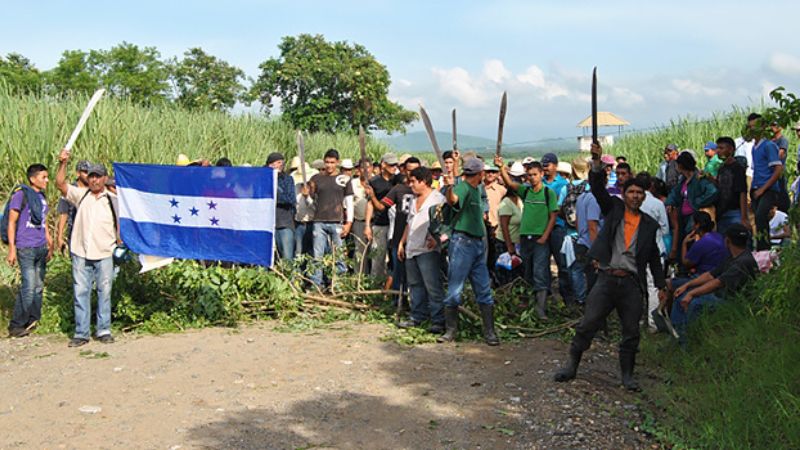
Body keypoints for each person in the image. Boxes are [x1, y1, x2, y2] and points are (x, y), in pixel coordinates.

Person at [554, 143, 665, 391]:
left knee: (630, 332)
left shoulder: (648, 224)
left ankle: (627, 375)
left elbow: (654, 257)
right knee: (588, 324)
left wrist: (660, 285)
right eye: (631, 192)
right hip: (606, 278)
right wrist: (596, 163)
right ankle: (572, 365)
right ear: (624, 195)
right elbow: (597, 188)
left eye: (639, 193)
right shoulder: (614, 209)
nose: (635, 196)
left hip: (630, 283)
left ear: (644, 196)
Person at [56, 149, 120, 347]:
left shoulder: (112, 199)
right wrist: (63, 164)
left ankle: (103, 330)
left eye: (98, 176)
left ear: (104, 178)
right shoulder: (80, 195)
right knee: (81, 292)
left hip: (104, 252)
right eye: (91, 176)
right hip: (81, 252)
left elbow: (121, 222)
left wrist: (119, 241)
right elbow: (60, 184)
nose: (94, 180)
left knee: (104, 292)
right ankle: (81, 333)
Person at [439, 157, 499, 346]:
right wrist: (449, 188)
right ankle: (451, 331)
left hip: (477, 245)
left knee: (484, 289)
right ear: (480, 174)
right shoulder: (463, 187)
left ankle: (489, 331)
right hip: (463, 243)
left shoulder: (476, 190)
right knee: (455, 288)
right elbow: (453, 200)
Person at [667, 224, 758, 344]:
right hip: (722, 295)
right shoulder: (734, 257)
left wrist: (692, 293)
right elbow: (711, 274)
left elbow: (717, 283)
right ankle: (676, 337)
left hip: (732, 301)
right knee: (681, 296)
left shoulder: (743, 261)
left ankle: (687, 342)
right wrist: (687, 286)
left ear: (727, 240)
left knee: (695, 304)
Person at [496, 156, 558, 319]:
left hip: (540, 239)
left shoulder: (548, 193)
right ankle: (529, 308)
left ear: (541, 174)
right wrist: (502, 167)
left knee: (540, 271)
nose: (531, 178)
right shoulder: (526, 191)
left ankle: (540, 309)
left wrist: (545, 236)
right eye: (529, 175)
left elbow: (553, 216)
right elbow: (510, 184)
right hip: (525, 239)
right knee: (528, 272)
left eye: (534, 175)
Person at [397, 167, 446, 333]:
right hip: (412, 247)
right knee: (415, 284)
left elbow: (445, 223)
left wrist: (437, 238)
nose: (410, 185)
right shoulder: (413, 200)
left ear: (423, 181)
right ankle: (417, 316)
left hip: (427, 250)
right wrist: (402, 242)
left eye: (413, 181)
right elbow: (409, 223)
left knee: (432, 286)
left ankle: (438, 320)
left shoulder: (438, 200)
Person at [6, 164, 52, 338]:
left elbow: (43, 220)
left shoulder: (42, 197)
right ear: (33, 179)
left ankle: (33, 320)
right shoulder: (21, 195)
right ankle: (17, 324)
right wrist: (12, 249)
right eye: (43, 177)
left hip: (40, 246)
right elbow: (12, 222)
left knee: (39, 286)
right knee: (29, 286)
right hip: (25, 247)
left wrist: (49, 240)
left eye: (47, 177)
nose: (46, 180)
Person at [307, 149, 354, 286]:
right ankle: (317, 284)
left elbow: (349, 202)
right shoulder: (316, 179)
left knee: (339, 256)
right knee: (317, 256)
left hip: (337, 222)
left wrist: (349, 223)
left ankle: (338, 284)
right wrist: (306, 195)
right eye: (327, 162)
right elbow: (311, 203)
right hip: (319, 222)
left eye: (332, 162)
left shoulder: (344, 179)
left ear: (337, 163)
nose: (329, 165)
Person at [666, 151, 718, 268]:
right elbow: (675, 193)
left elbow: (712, 192)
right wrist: (669, 203)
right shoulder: (683, 180)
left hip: (694, 215)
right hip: (684, 216)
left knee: (691, 240)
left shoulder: (699, 178)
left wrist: (697, 202)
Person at [636, 172, 670, 332]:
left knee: (637, 285)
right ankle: (652, 322)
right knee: (653, 286)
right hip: (655, 248)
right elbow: (665, 228)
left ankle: (637, 319)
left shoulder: (631, 203)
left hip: (635, 249)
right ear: (651, 185)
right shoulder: (657, 204)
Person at [540, 152, 575, 305]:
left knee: (562, 264)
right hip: (541, 228)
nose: (545, 168)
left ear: (555, 166)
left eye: (547, 165)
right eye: (543, 166)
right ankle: (545, 296)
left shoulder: (563, 185)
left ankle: (567, 296)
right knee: (542, 264)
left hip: (557, 228)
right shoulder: (538, 183)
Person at [747, 114, 783, 250]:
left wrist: (763, 188)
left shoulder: (768, 145)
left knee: (761, 217)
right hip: (757, 187)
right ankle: (760, 249)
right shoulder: (753, 147)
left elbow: (778, 169)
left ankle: (764, 252)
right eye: (750, 127)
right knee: (758, 220)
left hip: (768, 188)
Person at [363, 153, 398, 281]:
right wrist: (367, 225)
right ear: (383, 164)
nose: (395, 167)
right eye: (392, 164)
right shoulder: (374, 182)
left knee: (394, 257)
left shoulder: (398, 180)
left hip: (396, 224)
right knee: (378, 256)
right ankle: (375, 284)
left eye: (396, 164)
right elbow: (370, 204)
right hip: (380, 223)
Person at [495, 162, 525, 286]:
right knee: (506, 276)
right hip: (505, 243)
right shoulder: (506, 203)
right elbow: (504, 226)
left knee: (517, 275)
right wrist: (509, 246)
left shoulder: (520, 200)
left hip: (517, 243)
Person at [714, 137, 750, 236]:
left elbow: (742, 192)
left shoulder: (737, 168)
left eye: (721, 148)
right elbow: (720, 187)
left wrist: (743, 217)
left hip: (735, 211)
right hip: (722, 212)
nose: (718, 151)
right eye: (717, 148)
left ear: (730, 149)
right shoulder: (721, 168)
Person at [55, 160, 90, 253]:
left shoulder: (93, 189)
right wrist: (60, 236)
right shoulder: (70, 190)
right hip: (74, 231)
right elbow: (63, 213)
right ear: (78, 173)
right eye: (85, 172)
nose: (88, 175)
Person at [350, 159, 372, 274]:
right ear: (358, 170)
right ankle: (359, 279)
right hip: (359, 222)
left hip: (375, 223)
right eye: (363, 168)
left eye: (368, 167)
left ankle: (375, 280)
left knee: (375, 252)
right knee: (360, 251)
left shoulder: (376, 181)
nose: (366, 170)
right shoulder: (353, 184)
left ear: (372, 168)